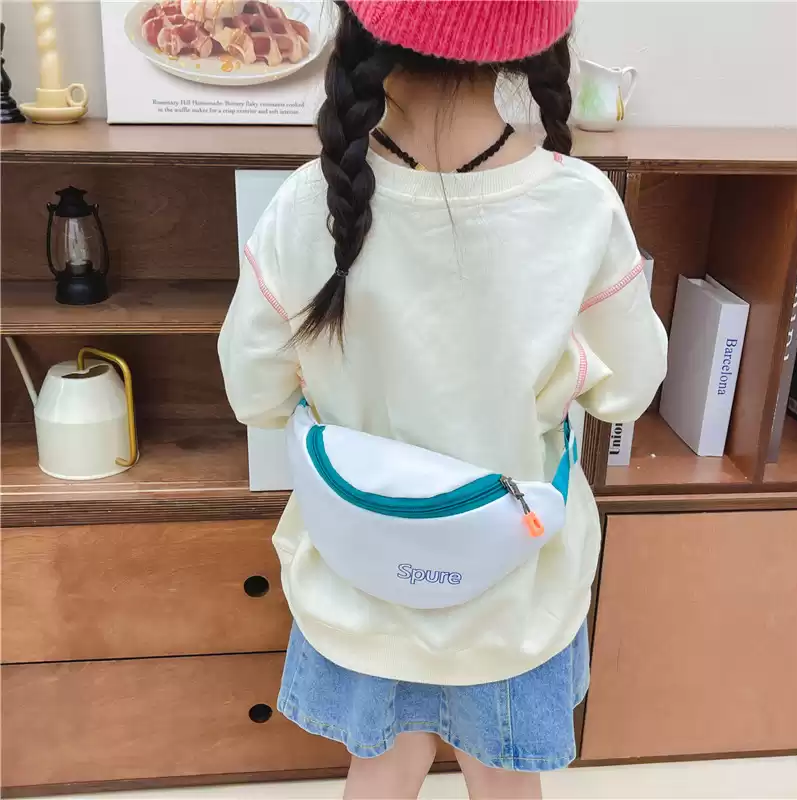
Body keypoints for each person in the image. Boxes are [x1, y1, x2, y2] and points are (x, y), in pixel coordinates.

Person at [219, 1, 667, 797]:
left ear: (360, 25)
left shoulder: (305, 203)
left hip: (360, 578)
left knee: (383, 768)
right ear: (537, 38)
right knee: (505, 780)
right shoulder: (581, 206)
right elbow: (629, 391)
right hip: (515, 591)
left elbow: (252, 392)